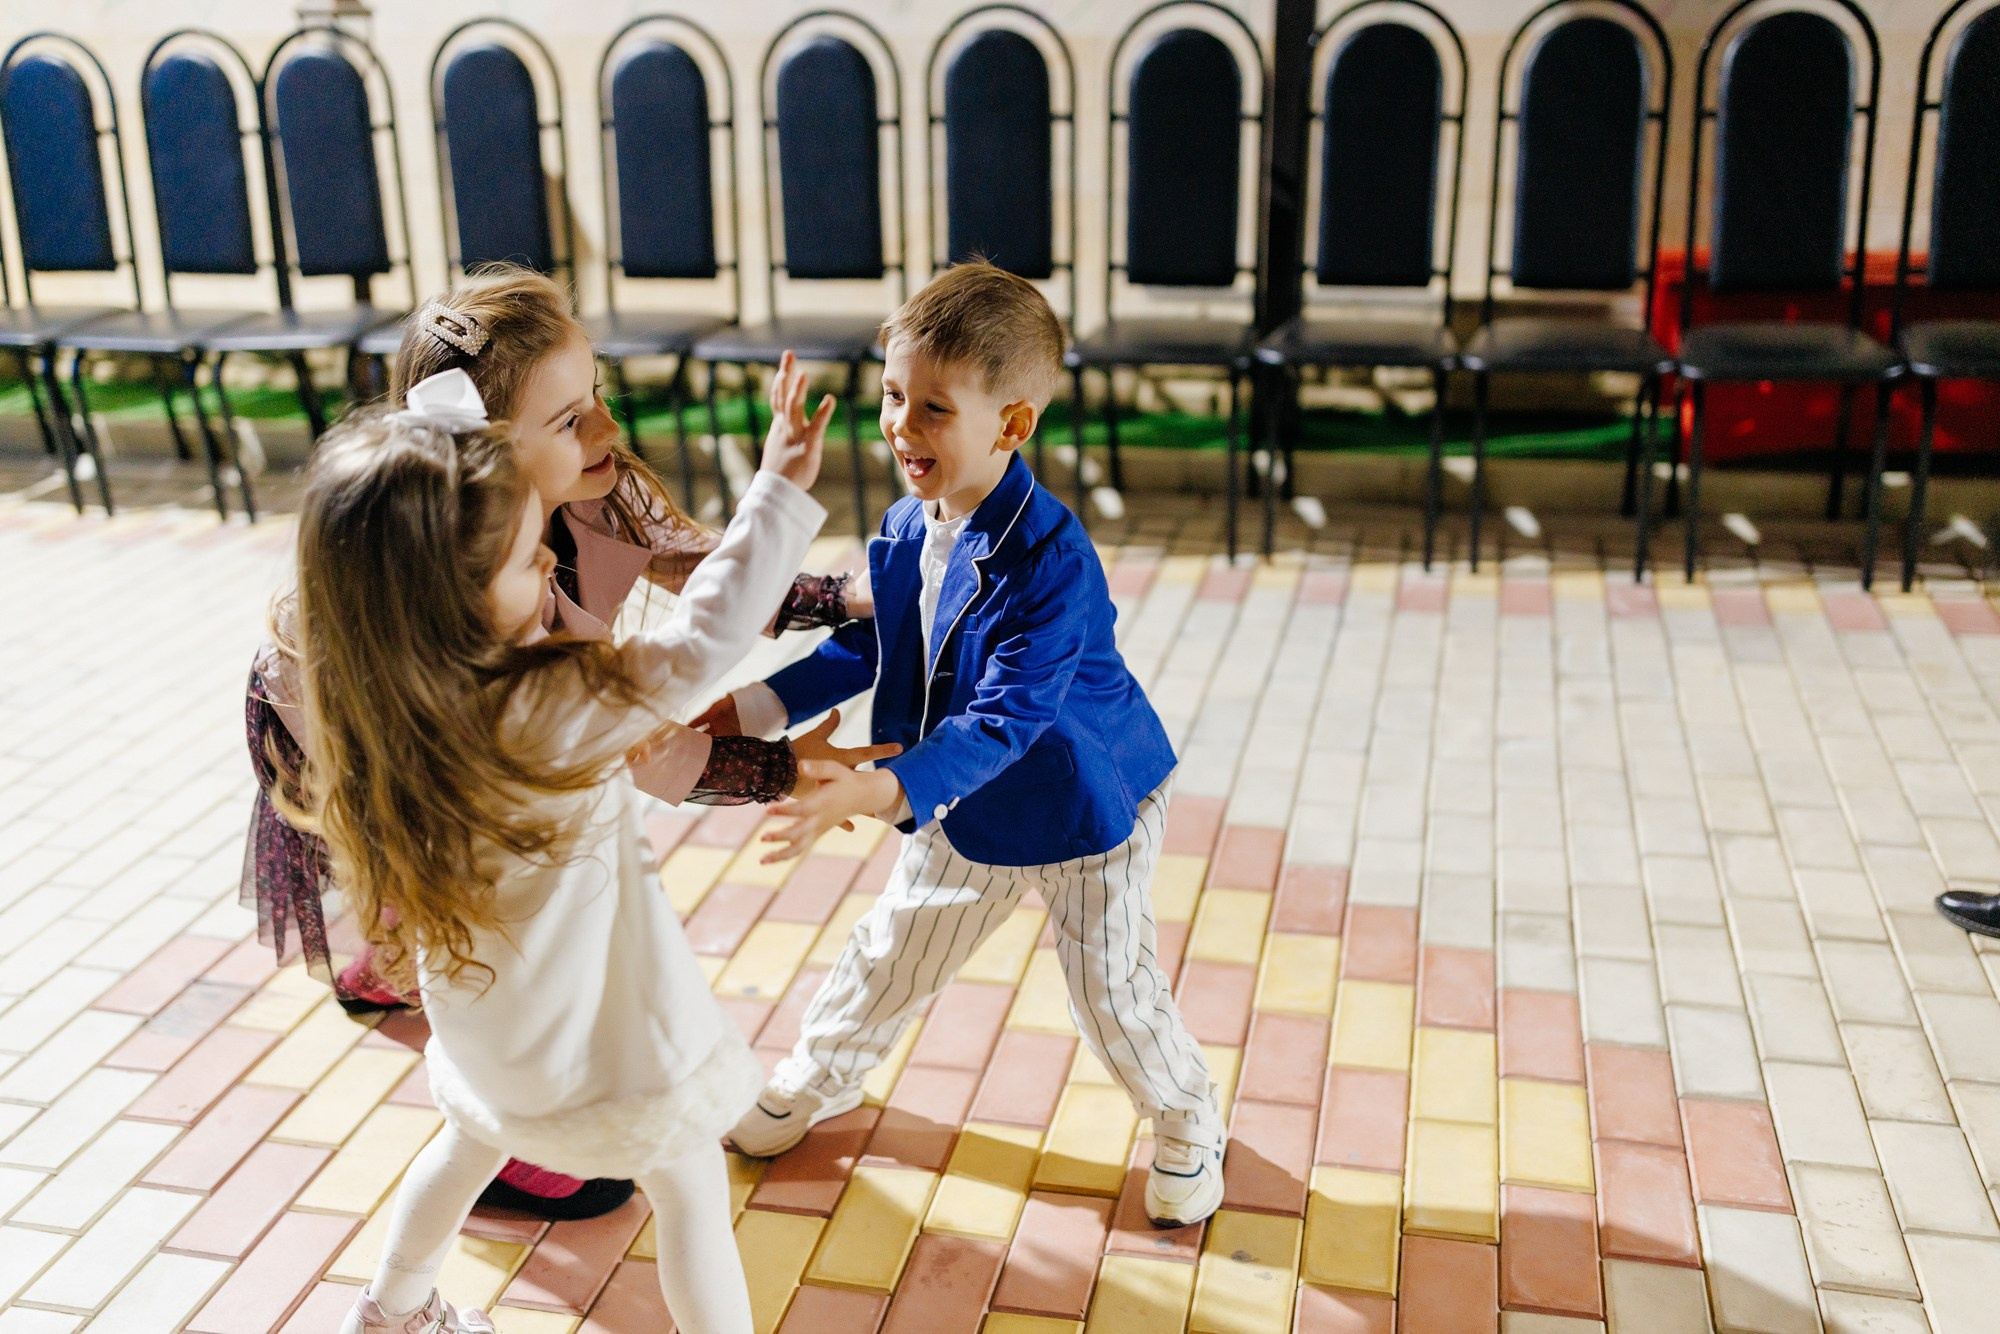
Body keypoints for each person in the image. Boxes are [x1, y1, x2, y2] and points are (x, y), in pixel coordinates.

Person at [243, 266, 871, 1220]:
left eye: (598, 400)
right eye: (572, 420)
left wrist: (834, 597)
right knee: (442, 887)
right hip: (342, 730)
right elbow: (644, 742)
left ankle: (426, 1046)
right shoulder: (444, 622)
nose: (609, 433)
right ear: (481, 456)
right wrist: (785, 768)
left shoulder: (580, 499)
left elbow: (703, 570)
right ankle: (436, 1027)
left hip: (472, 736)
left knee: (504, 900)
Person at [696, 261, 1228, 1227]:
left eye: (934, 408)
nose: (900, 425)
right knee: (892, 951)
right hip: (953, 794)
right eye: (894, 395)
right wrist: (746, 712)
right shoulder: (907, 525)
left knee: (1111, 995)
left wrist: (873, 790)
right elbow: (869, 644)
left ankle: (1190, 1118)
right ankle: (820, 1077)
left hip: (1083, 806)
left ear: (1012, 425)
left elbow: (1008, 720)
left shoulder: (1053, 560)